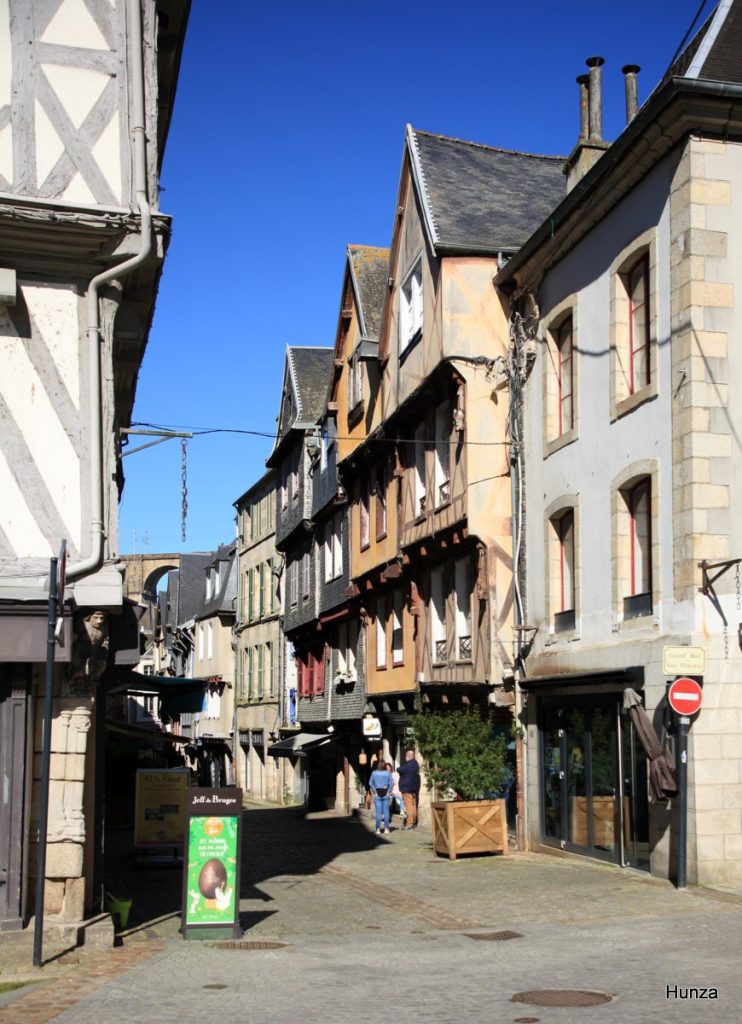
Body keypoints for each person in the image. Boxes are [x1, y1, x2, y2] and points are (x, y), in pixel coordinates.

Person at [369, 761, 394, 835]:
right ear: (384, 766)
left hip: (377, 793)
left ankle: (378, 829)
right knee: (386, 812)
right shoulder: (387, 773)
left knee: (378, 813)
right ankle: (386, 828)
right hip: (386, 792)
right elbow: (392, 782)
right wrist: (389, 791)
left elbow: (370, 783)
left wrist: (374, 791)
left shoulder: (374, 773)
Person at [397, 749, 420, 829]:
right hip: (414, 788)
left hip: (407, 788)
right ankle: (413, 822)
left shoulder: (408, 764)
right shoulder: (416, 764)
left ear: (408, 756)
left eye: (406, 757)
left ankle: (409, 823)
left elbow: (399, 769)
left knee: (409, 806)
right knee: (413, 805)